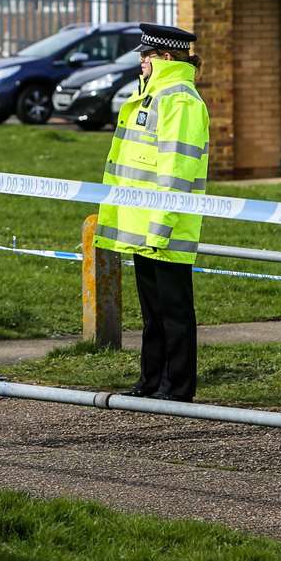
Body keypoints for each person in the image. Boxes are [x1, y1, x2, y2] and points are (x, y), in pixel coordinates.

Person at [93, 22, 210, 402]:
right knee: (152, 312)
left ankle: (177, 388)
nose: (140, 61)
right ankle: (151, 381)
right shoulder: (150, 96)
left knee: (174, 312)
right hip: (144, 227)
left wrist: (160, 227)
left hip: (167, 228)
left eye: (146, 55)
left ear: (165, 57)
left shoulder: (179, 100)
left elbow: (176, 170)